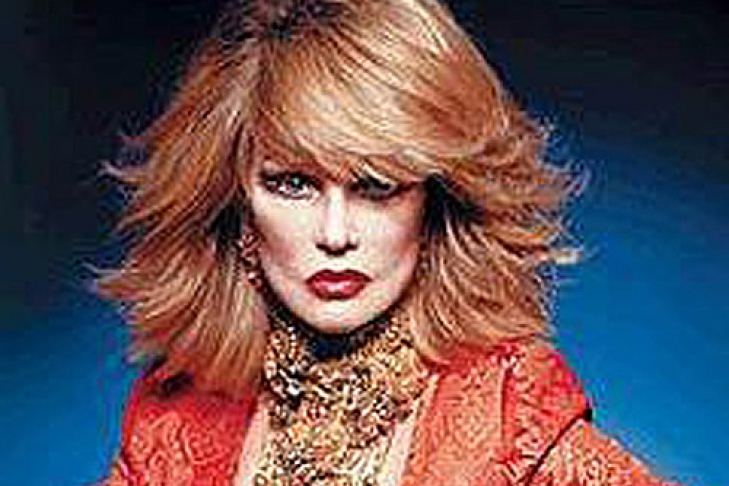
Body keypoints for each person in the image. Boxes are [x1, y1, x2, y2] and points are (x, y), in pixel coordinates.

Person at [99, 0, 679, 484]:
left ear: (434, 201)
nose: (335, 234)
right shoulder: (170, 426)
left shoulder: (511, 416)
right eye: (293, 184)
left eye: (376, 186)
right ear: (238, 204)